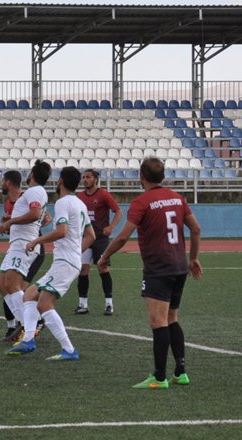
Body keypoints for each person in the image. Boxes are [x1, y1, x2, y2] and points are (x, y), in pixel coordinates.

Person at [97, 158, 202, 389]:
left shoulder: (141, 202)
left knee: (158, 322)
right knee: (172, 318)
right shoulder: (178, 198)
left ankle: (159, 377)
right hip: (179, 266)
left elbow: (123, 237)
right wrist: (193, 258)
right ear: (162, 175)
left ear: (141, 176)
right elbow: (195, 229)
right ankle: (181, 372)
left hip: (158, 269)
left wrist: (104, 257)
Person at [6, 166, 95, 361]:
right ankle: (28, 339)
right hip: (66, 261)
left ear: (61, 181)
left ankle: (69, 350)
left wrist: (36, 240)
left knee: (45, 303)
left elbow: (62, 231)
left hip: (65, 263)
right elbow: (91, 236)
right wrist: (74, 253)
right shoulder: (80, 204)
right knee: (29, 295)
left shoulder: (63, 203)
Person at [0, 160, 51, 343]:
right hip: (17, 243)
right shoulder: (33, 192)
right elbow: (35, 216)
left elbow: (34, 214)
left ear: (32, 175)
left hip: (24, 244)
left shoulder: (34, 191)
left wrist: (10, 222)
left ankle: (33, 321)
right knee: (1, 283)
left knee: (11, 284)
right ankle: (23, 322)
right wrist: (7, 224)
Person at [75, 169, 123, 316]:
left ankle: (109, 304)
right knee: (83, 270)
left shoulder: (103, 194)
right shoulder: (80, 197)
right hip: (86, 238)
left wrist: (111, 227)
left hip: (101, 239)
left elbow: (118, 212)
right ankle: (83, 304)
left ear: (96, 179)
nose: (85, 180)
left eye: (88, 177)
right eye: (84, 177)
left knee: (102, 268)